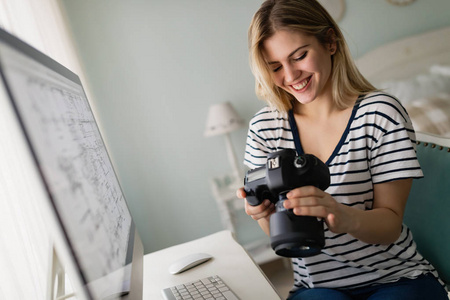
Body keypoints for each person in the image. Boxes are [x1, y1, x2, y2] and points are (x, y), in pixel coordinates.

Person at [236, 0, 449, 299]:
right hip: (318, 287)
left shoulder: (380, 114)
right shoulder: (265, 129)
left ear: (330, 42)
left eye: (299, 56)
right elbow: (279, 233)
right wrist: (261, 213)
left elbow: (389, 224)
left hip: (396, 277)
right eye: (275, 67)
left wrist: (340, 214)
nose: (291, 76)